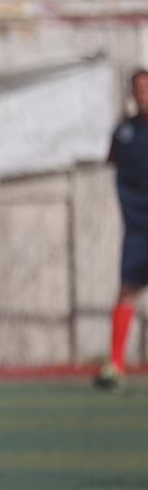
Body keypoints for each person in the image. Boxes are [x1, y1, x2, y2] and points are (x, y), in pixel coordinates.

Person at [99, 68, 148, 389]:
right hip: (138, 230)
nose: (143, 96)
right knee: (127, 291)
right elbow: (112, 162)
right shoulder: (124, 133)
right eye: (139, 90)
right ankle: (115, 364)